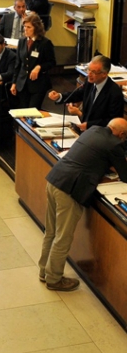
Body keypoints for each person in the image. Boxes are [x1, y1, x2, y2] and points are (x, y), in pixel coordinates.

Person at [39, 118, 127, 291]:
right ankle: (54, 279)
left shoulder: (93, 130)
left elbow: (94, 155)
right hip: (70, 190)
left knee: (51, 231)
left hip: (55, 179)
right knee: (63, 237)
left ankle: (44, 271)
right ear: (121, 134)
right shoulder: (114, 144)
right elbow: (125, 175)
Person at [48, 55, 123, 131]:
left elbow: (113, 121)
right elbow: (79, 94)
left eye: (93, 72)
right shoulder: (90, 82)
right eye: (88, 69)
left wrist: (89, 125)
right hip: (85, 129)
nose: (89, 74)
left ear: (104, 74)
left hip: (100, 133)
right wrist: (59, 96)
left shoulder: (114, 93)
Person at [10, 13, 56, 109]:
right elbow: (18, 64)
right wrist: (14, 83)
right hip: (22, 84)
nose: (25, 29)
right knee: (23, 110)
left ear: (36, 28)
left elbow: (52, 62)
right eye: (25, 26)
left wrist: (39, 67)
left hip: (38, 85)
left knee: (32, 111)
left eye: (29, 27)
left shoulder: (45, 43)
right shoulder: (22, 41)